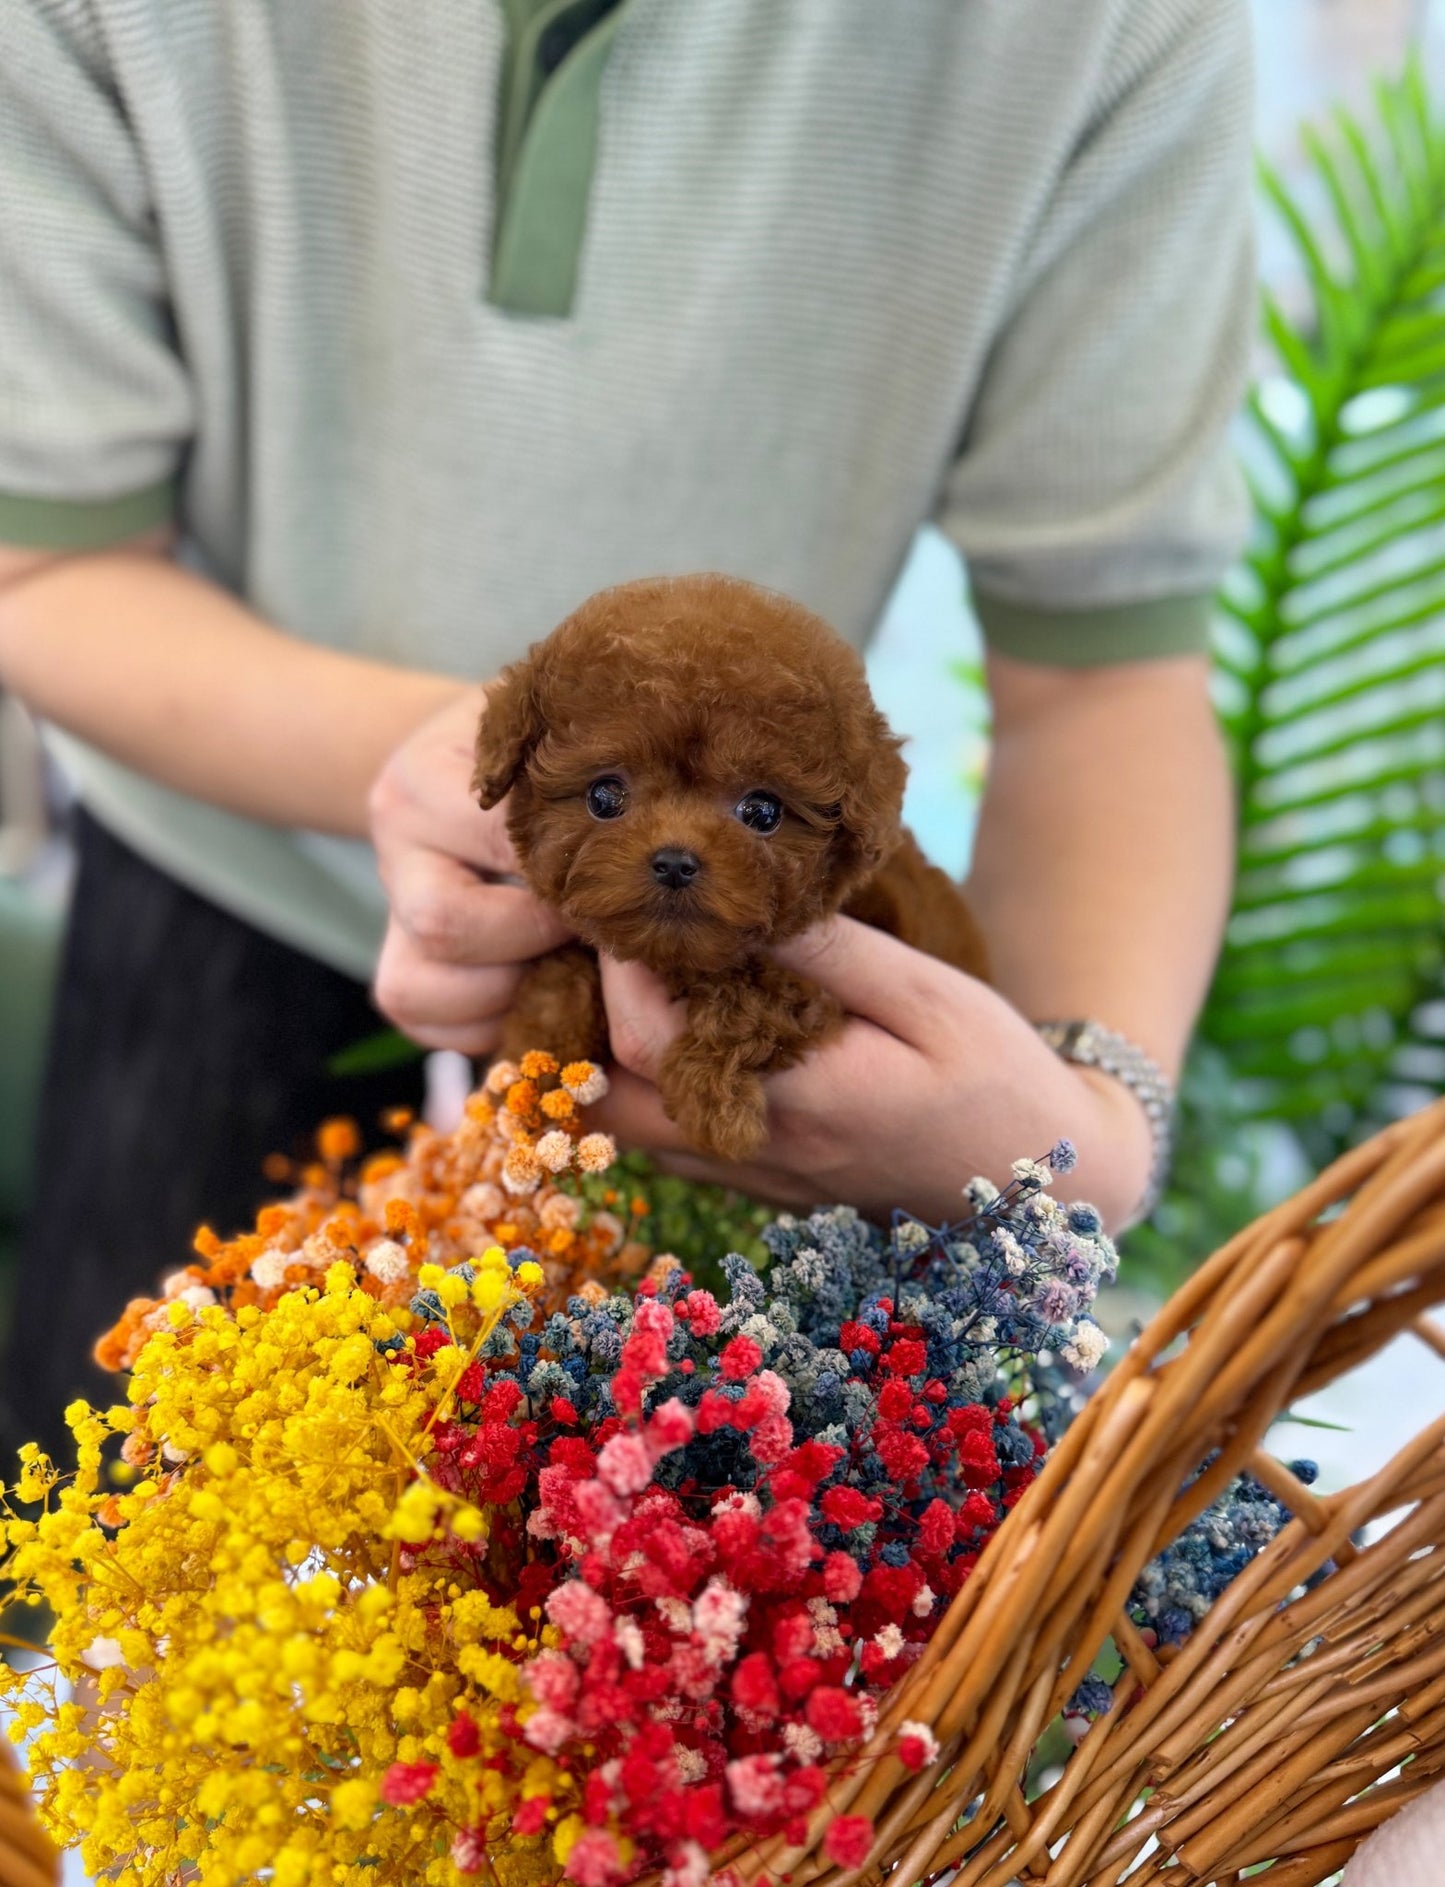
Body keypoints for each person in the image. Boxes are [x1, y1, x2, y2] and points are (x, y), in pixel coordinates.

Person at [0, 0, 1247, 1456]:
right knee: (102, 1606)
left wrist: (1086, 1123)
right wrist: (417, 760)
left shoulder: (1109, 29)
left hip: (782, 1030)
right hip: (222, 915)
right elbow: (41, 558)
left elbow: (1105, 670)